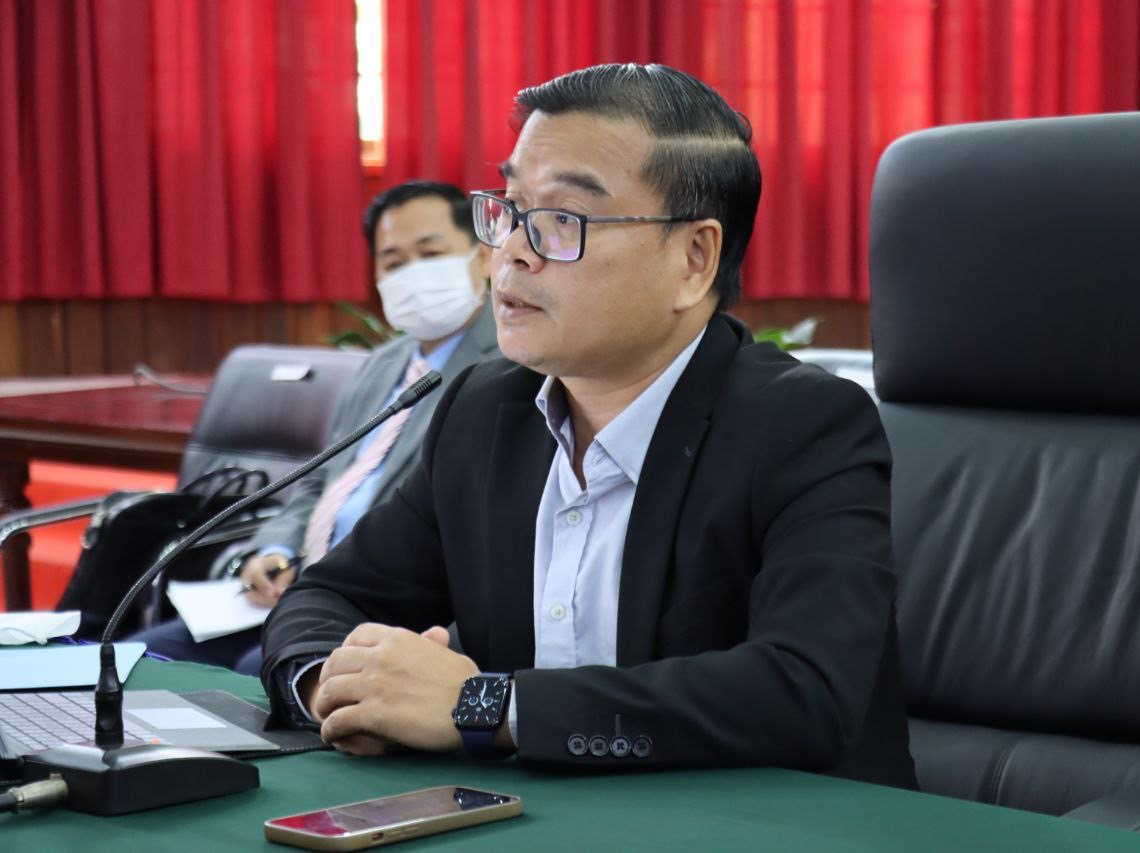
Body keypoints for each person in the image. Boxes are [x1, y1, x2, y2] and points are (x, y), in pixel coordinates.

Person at [261, 63, 917, 788]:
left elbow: (803, 691)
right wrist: (335, 685)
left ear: (694, 259)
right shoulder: (484, 412)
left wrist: (488, 707)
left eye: (562, 219)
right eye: (510, 208)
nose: (512, 250)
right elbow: (327, 597)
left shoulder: (806, 427)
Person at [129, 181, 499, 675]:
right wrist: (276, 549)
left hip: (387, 607)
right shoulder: (379, 366)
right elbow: (320, 482)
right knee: (140, 658)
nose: (413, 273)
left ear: (483, 257)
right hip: (297, 591)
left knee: (253, 674)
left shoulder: (505, 366)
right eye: (394, 262)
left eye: (431, 254)